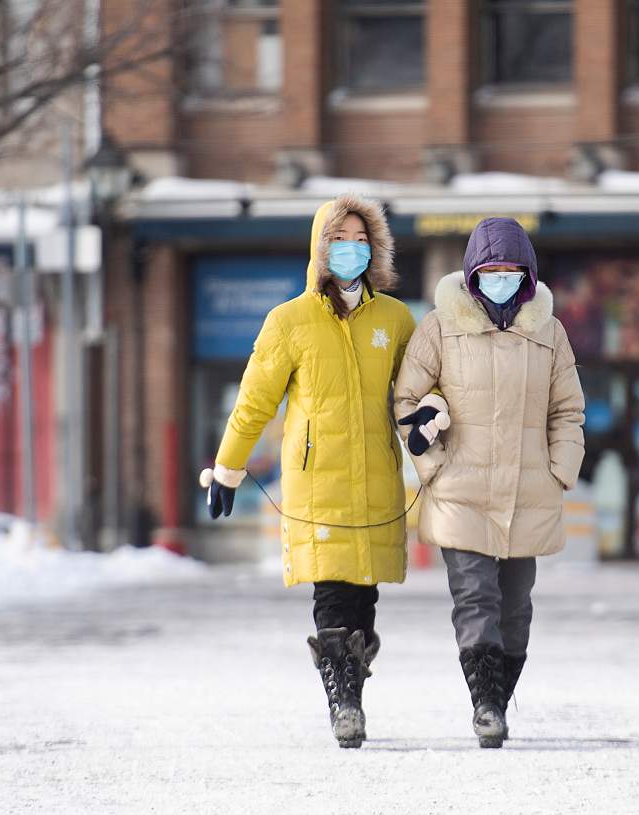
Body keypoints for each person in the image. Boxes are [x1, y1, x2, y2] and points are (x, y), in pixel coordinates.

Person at [199, 194, 415, 748]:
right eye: (339, 239)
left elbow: (419, 388)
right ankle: (344, 703)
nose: (351, 249)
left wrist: (428, 421)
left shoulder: (394, 319)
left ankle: (351, 695)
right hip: (316, 482)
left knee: (363, 603)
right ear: (320, 248)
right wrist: (228, 467)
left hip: (376, 482)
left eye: (362, 240)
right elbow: (254, 402)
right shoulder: (289, 321)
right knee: (334, 596)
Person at [394, 217, 585, 748]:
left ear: (527, 275)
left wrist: (558, 471)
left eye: (510, 270)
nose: (500, 278)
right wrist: (433, 465)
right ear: (472, 274)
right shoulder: (439, 327)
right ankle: (484, 706)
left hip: (529, 493)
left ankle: (499, 697)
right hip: (462, 491)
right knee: (475, 598)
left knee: (516, 608)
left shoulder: (550, 331)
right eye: (490, 270)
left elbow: (568, 411)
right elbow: (408, 401)